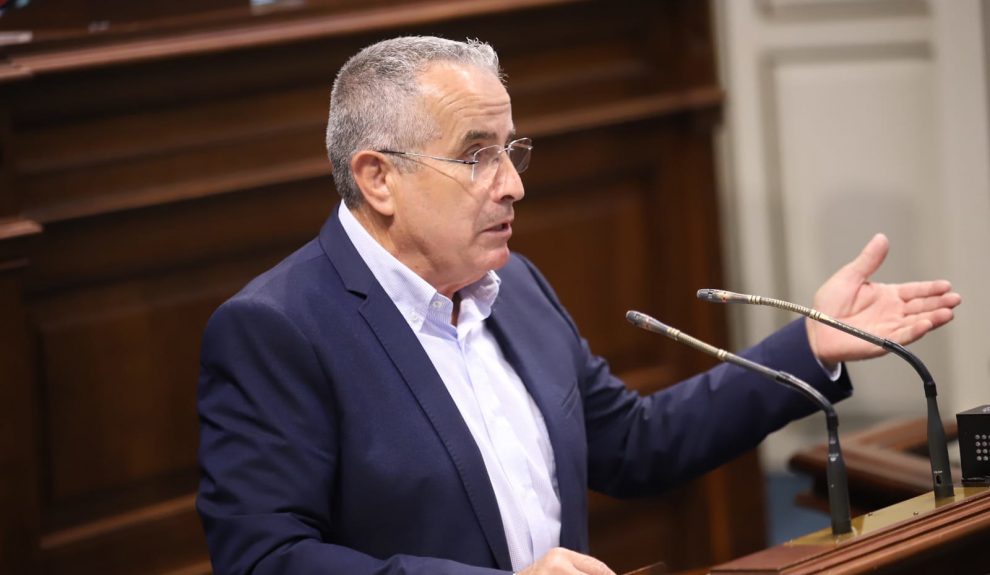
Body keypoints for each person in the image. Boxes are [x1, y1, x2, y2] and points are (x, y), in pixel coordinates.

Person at [196, 36, 961, 575]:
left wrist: (811, 347)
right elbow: (266, 558)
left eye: (511, 150)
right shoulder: (277, 329)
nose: (513, 184)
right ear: (377, 178)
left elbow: (634, 443)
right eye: (476, 155)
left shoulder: (515, 284)